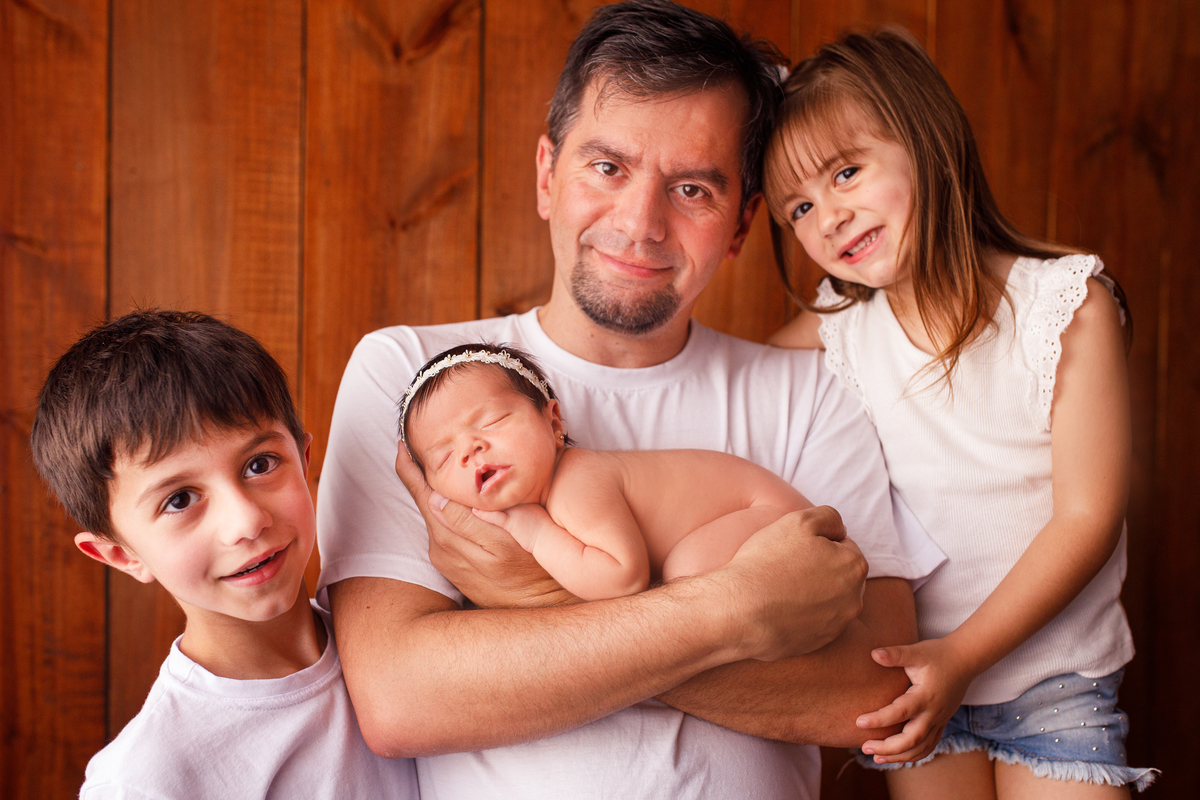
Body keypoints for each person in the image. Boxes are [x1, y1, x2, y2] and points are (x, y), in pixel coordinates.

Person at [317, 2, 945, 798]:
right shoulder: (415, 379)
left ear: (745, 222)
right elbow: (402, 697)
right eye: (607, 168)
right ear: (549, 175)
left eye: (692, 189)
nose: (641, 223)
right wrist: (735, 613)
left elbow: (873, 695)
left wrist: (529, 600)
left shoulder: (813, 395)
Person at [763, 29, 1156, 797]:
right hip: (913, 683)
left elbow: (1087, 518)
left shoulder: (1064, 305)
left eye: (847, 173)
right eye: (800, 207)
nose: (830, 217)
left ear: (927, 142)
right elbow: (731, 383)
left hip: (1055, 683)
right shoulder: (842, 325)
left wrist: (965, 656)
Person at [29, 310, 419, 799]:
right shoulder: (144, 780)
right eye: (179, 499)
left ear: (304, 459)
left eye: (260, 464)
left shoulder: (404, 650)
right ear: (121, 555)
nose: (246, 522)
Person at [400, 342, 814, 599]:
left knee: (688, 577)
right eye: (444, 457)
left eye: (490, 422)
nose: (471, 449)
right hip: (763, 519)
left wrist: (537, 532)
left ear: (554, 423)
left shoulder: (576, 481)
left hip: (773, 517)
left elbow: (622, 579)